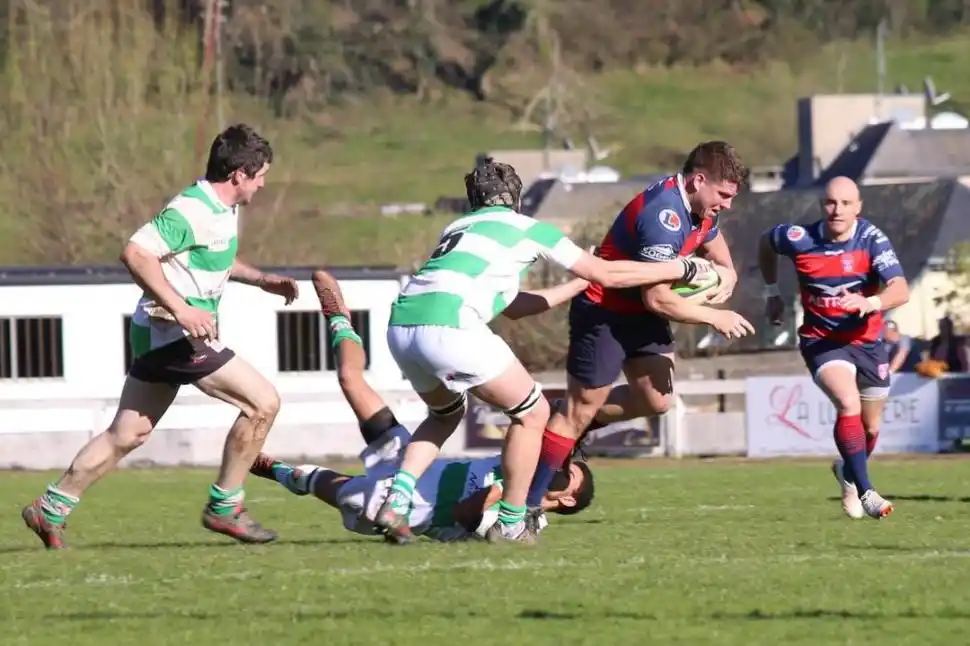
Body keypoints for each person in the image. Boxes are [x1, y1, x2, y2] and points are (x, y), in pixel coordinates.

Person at [376, 157, 718, 545]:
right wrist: (683, 270)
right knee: (534, 412)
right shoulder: (529, 228)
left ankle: (397, 501)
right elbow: (606, 274)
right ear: (516, 199)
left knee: (443, 416)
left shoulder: (457, 227)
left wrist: (574, 286)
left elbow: (516, 306)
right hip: (450, 324)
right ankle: (512, 521)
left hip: (401, 326)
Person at [21, 124, 300, 549]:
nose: (263, 184)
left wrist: (261, 279)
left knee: (127, 434)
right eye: (260, 175)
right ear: (239, 174)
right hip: (173, 333)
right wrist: (181, 308)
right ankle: (225, 507)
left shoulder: (222, 210)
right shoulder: (191, 209)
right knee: (262, 403)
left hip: (157, 335)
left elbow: (214, 255)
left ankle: (51, 507)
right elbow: (136, 252)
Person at [248, 270, 595, 542]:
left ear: (566, 499)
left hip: (406, 508)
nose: (554, 469)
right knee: (350, 380)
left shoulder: (524, 522)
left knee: (313, 481)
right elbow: (544, 430)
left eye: (565, 474)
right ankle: (339, 319)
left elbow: (464, 515)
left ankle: (276, 471)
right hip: (412, 463)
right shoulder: (525, 465)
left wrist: (502, 494)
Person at [525, 142, 754, 509]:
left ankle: (566, 423)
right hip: (605, 311)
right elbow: (658, 299)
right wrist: (714, 316)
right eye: (724, 195)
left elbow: (711, 237)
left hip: (640, 312)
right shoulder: (664, 216)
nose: (727, 204)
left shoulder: (701, 206)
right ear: (698, 181)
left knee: (656, 399)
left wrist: (730, 273)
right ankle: (526, 506)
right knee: (581, 409)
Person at [758, 176, 910, 520]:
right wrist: (772, 293)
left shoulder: (871, 240)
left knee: (870, 429)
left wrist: (869, 302)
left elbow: (900, 290)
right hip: (822, 341)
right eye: (830, 203)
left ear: (858, 207)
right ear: (821, 205)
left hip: (868, 343)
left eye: (845, 204)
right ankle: (867, 490)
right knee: (847, 402)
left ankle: (847, 470)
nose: (837, 210)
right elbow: (766, 243)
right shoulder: (799, 238)